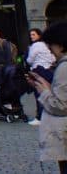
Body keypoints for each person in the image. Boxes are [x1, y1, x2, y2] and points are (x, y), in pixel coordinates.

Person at [27, 21, 67, 173]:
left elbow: (61, 106)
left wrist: (43, 91)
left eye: (52, 46)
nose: (51, 51)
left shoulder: (64, 67)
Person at [27, 27, 56, 126]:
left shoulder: (35, 45)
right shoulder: (46, 45)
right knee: (48, 92)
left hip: (38, 70)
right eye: (30, 35)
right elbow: (53, 58)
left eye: (33, 34)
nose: (31, 37)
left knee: (39, 93)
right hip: (48, 70)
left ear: (39, 35)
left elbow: (30, 60)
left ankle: (40, 117)